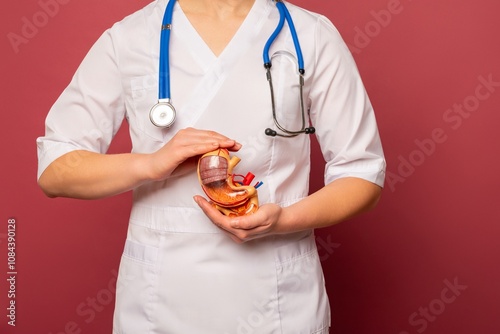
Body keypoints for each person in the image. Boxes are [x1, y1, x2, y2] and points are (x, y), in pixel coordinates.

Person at [37, 0, 386, 332]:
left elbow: (362, 174)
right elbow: (56, 170)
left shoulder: (310, 35)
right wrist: (152, 164)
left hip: (277, 299)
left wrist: (284, 220)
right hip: (159, 302)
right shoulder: (130, 38)